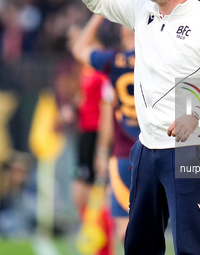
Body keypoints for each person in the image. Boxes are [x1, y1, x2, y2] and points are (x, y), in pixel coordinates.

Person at [81, 0, 200, 254]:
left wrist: (196, 114)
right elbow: (97, 2)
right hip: (147, 145)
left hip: (191, 146)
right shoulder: (142, 10)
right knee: (138, 245)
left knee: (189, 247)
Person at [71, 15, 140, 244]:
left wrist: (99, 14)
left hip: (122, 153)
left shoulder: (113, 61)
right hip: (152, 150)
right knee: (151, 225)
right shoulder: (155, 60)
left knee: (124, 228)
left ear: (123, 32)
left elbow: (80, 48)